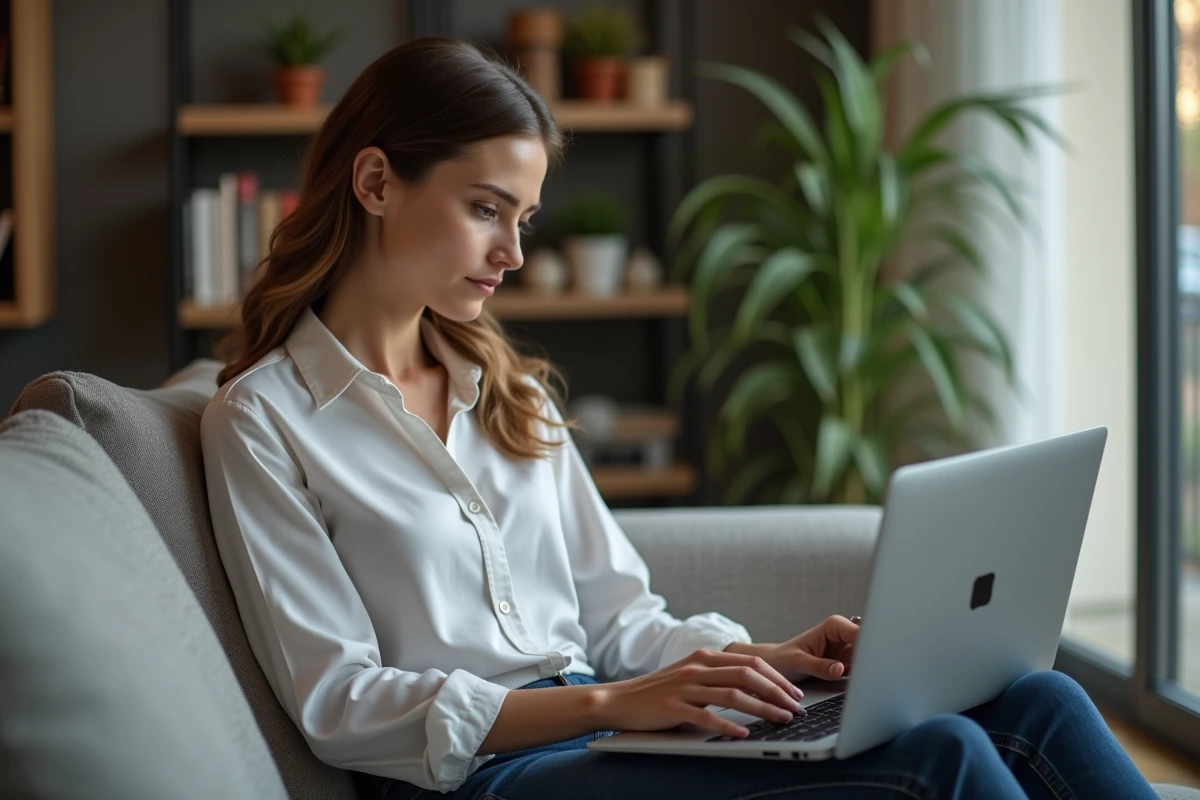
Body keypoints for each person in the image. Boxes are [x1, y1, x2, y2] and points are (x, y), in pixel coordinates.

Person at [199, 36, 1159, 800]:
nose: (515, 251)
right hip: (488, 776)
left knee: (1036, 697)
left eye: (524, 217)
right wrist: (617, 703)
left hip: (608, 727)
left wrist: (758, 661)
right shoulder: (264, 421)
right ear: (375, 184)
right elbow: (341, 703)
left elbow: (621, 616)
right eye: (487, 209)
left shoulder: (509, 395)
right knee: (939, 756)